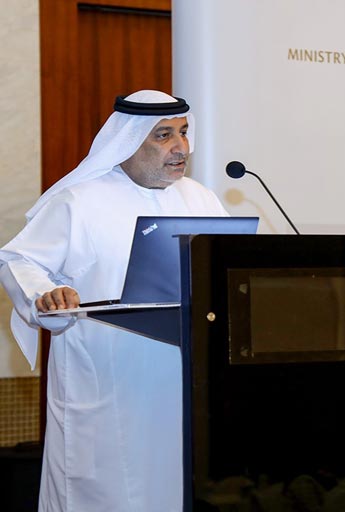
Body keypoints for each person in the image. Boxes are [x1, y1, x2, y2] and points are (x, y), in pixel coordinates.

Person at [0, 90, 229, 511]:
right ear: (128, 141)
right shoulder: (79, 201)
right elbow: (19, 259)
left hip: (180, 386)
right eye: (163, 135)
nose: (181, 147)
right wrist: (44, 296)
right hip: (108, 384)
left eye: (183, 132)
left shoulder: (200, 198)